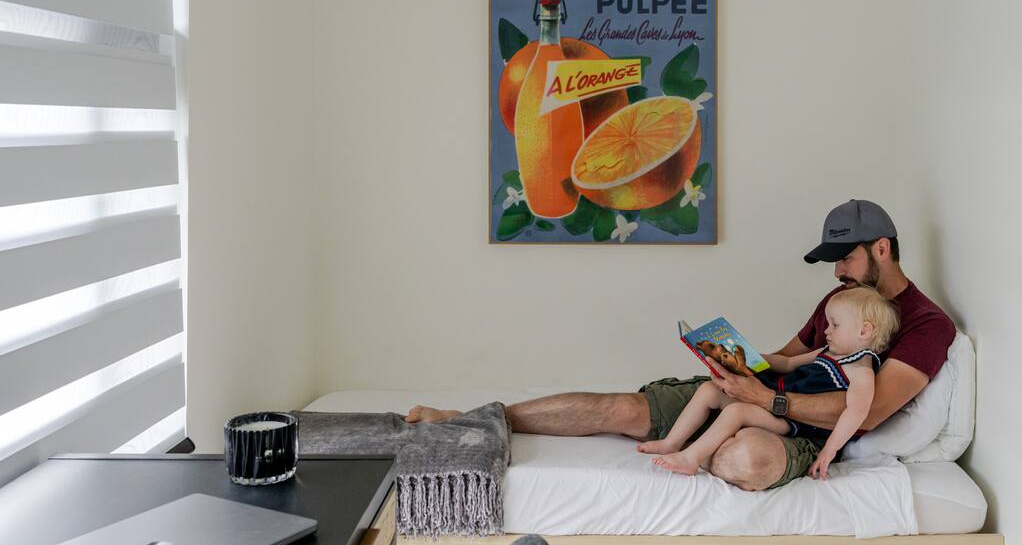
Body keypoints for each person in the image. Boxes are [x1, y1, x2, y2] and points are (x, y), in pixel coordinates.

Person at [407, 199, 956, 491]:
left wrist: (764, 400)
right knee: (618, 409)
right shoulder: (842, 300)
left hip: (801, 429)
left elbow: (868, 411)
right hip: (761, 395)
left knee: (748, 458)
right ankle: (473, 419)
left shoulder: (927, 325)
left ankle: (696, 450)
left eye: (846, 258)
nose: (836, 272)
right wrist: (737, 363)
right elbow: (788, 358)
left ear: (881, 248)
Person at [636, 287, 899, 480]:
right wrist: (746, 355)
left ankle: (690, 458)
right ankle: (671, 442)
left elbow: (857, 412)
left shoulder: (861, 368)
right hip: (776, 399)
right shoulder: (828, 352)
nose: (826, 331)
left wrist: (829, 451)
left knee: (737, 411)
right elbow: (787, 363)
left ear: (864, 331)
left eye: (835, 325)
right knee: (709, 389)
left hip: (796, 423)